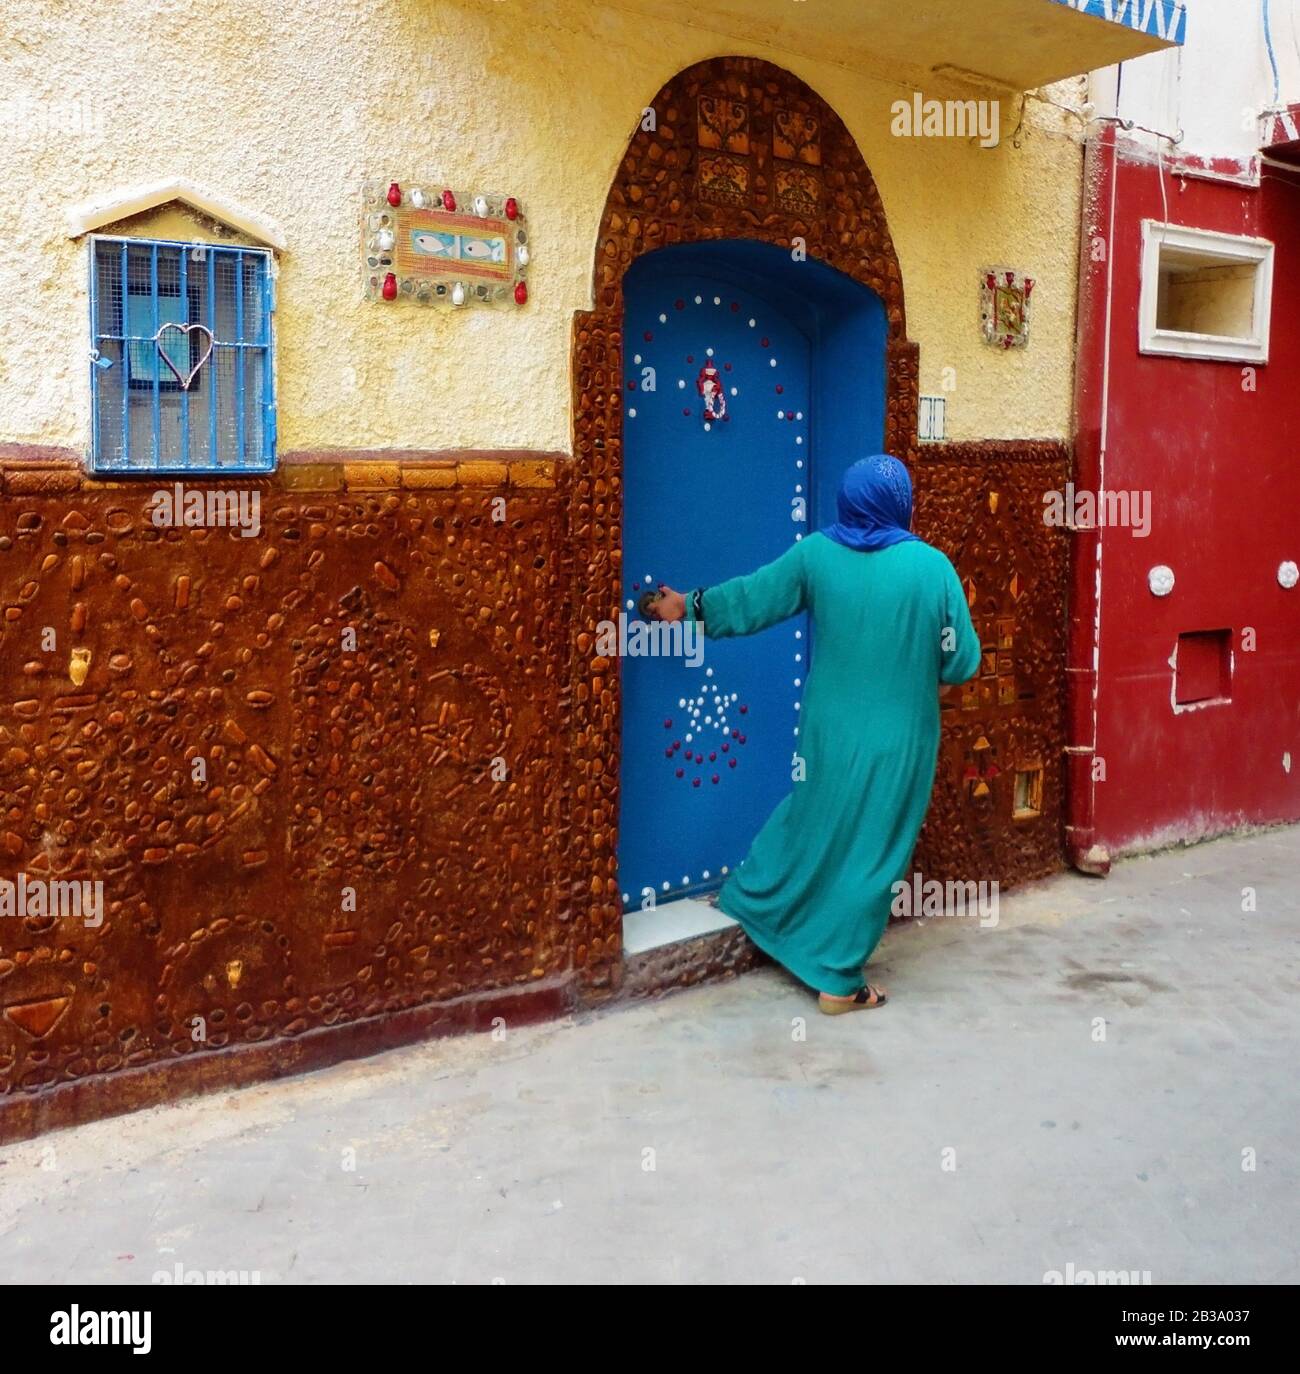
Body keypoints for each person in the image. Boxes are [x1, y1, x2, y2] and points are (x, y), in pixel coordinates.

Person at [648, 454, 981, 1014]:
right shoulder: (933, 568)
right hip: (899, 737)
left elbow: (755, 598)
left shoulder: (817, 554)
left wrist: (688, 607)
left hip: (827, 728)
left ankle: (754, 901)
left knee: (812, 816)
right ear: (901, 502)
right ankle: (837, 979)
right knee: (874, 848)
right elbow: (961, 663)